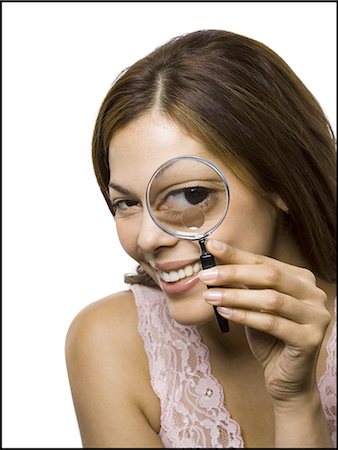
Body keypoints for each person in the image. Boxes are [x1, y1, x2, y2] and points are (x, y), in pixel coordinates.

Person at [65, 29, 336, 448]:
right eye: (126, 203)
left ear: (280, 181)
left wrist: (297, 403)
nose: (149, 237)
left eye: (191, 195)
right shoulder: (110, 345)